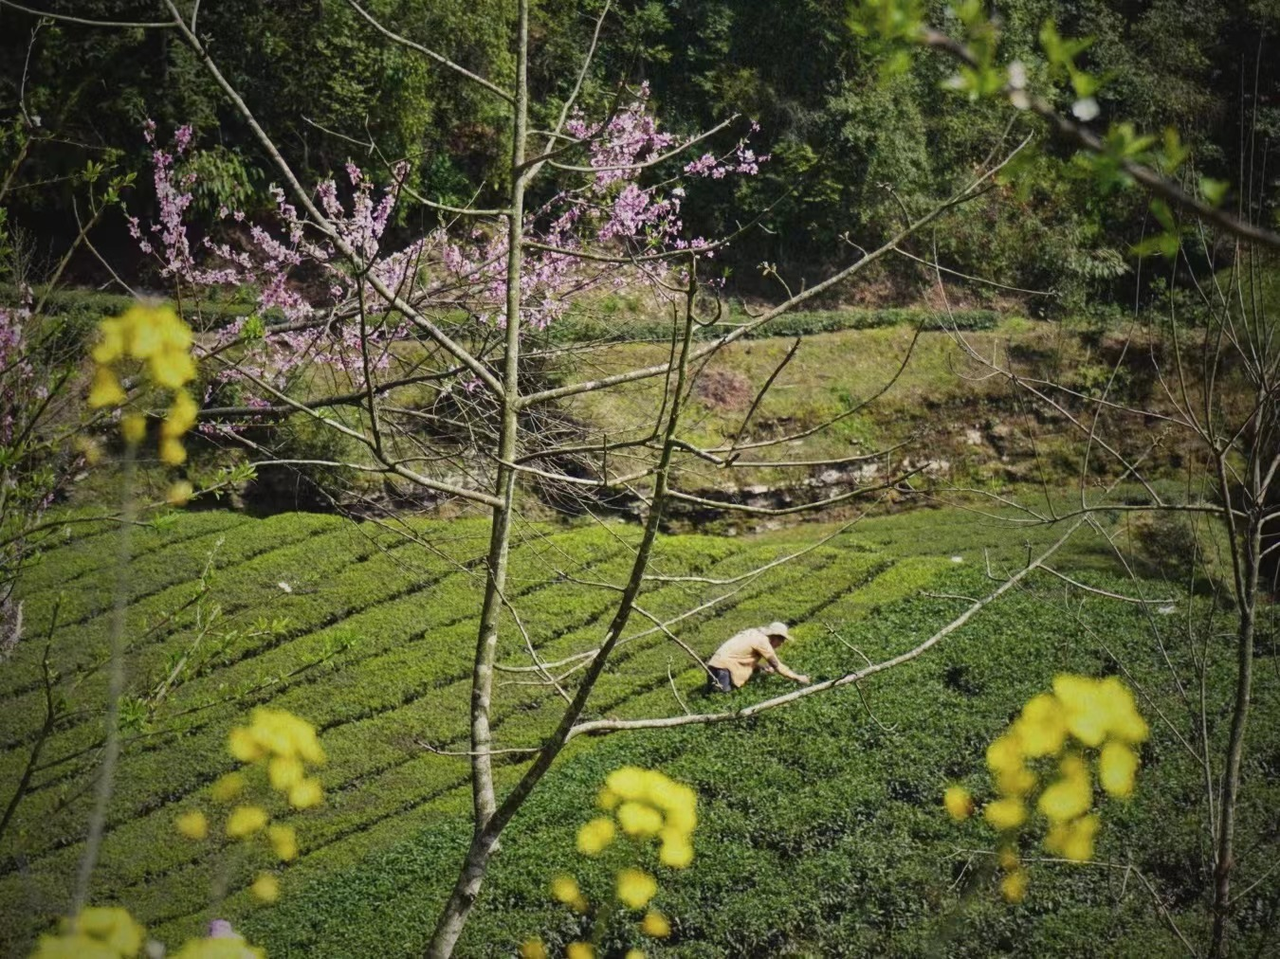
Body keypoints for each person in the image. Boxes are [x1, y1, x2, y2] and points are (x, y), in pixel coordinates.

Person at [706, 621, 810, 693]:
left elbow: (741, 657)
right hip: (724, 670)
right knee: (722, 697)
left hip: (715, 665)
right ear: (775, 636)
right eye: (781, 640)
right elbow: (775, 664)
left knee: (712, 696)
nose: (781, 644)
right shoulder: (762, 641)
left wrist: (762, 668)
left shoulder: (753, 633)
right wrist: (797, 677)